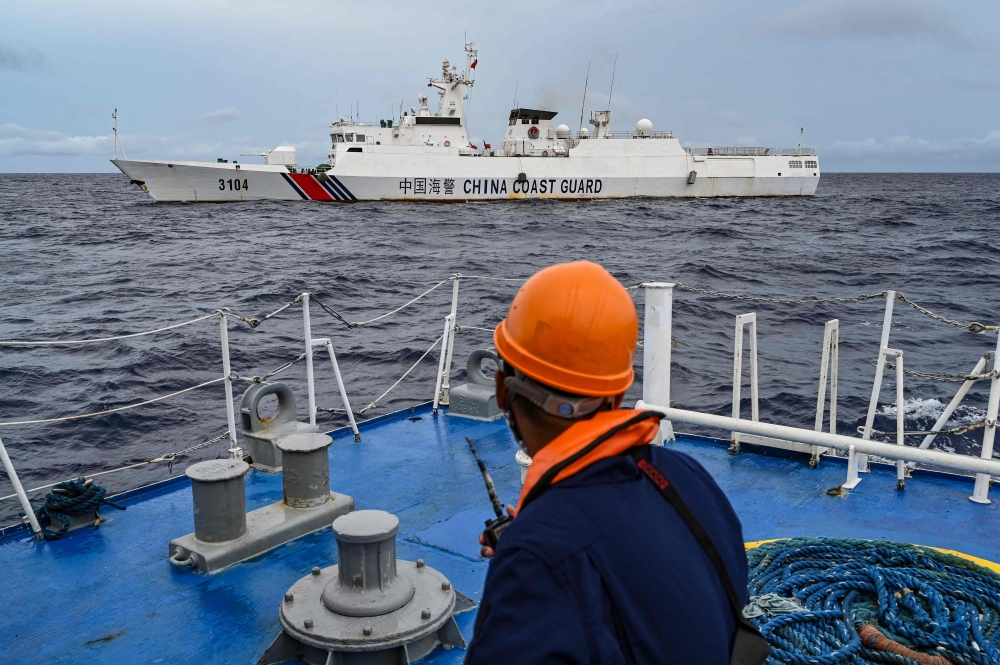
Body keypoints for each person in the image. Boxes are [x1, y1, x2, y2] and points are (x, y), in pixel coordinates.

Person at [464, 261, 754, 665]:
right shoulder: (689, 476)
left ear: (500, 389)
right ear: (616, 396)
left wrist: (534, 549)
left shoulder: (534, 559)